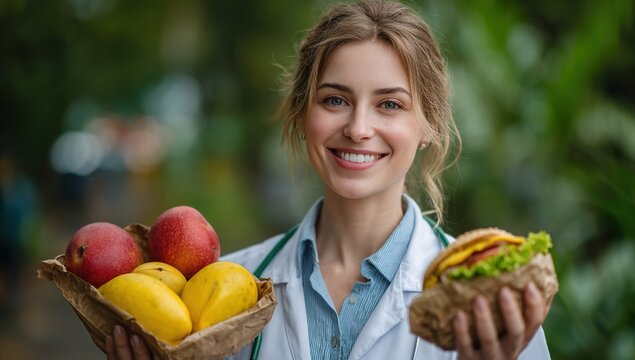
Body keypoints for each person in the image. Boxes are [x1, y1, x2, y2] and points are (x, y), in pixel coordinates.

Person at [106, 1, 552, 359]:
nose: (358, 128)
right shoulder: (222, 291)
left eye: (390, 105)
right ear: (303, 114)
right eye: (335, 100)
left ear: (428, 126)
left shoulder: (491, 300)